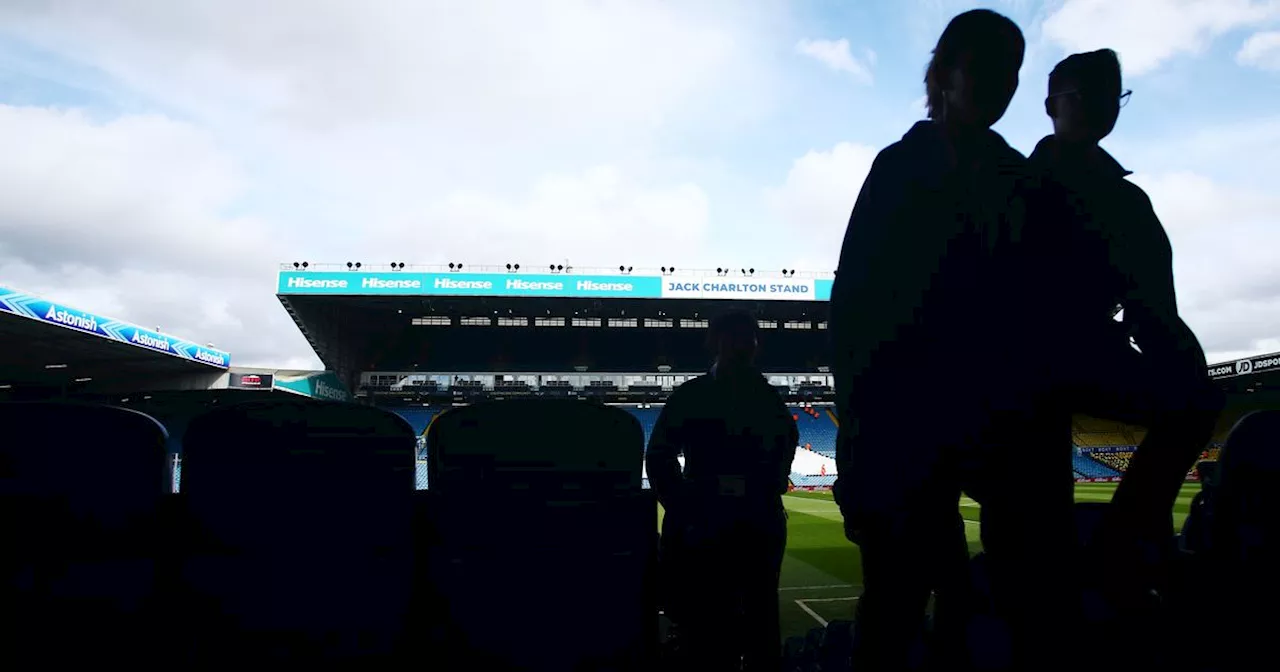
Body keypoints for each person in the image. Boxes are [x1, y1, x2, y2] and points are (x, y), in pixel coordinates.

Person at [828, 8, 1031, 669]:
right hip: (905, 429)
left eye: (1015, 72)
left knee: (981, 609)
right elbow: (855, 310)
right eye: (989, 67)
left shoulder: (1016, 175)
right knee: (897, 604)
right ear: (943, 74)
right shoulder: (901, 167)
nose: (1004, 83)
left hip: (991, 423)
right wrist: (859, 435)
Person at [1019, 48, 1222, 624]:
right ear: (1052, 105)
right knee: (1038, 535)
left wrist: (1183, 375)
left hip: (1059, 357)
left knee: (1042, 541)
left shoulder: (1116, 198)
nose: (1102, 106)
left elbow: (1153, 308)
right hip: (1023, 362)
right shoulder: (1018, 184)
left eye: (1112, 95)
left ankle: (1118, 547)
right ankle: (1121, 545)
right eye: (1086, 94)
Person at [646, 310, 797, 672]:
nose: (742, 345)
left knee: (760, 620)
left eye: (747, 338)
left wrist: (768, 488)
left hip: (754, 526)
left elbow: (788, 443)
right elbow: (660, 455)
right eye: (734, 337)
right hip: (709, 528)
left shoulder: (766, 398)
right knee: (708, 628)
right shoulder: (696, 394)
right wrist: (684, 506)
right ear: (715, 342)